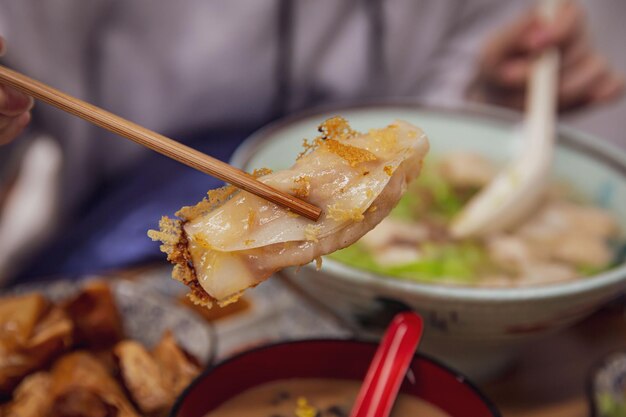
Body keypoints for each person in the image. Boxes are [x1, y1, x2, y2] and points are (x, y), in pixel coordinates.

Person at [0, 0, 622, 281]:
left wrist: (489, 91)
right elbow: (26, 77)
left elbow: (439, 103)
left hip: (382, 242)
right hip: (114, 219)